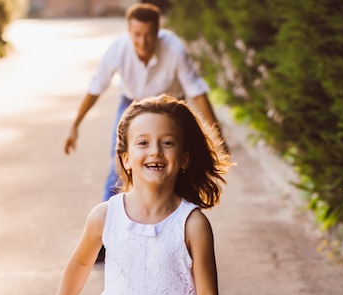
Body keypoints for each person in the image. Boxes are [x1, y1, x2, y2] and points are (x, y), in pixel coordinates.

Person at [36, 95, 240, 295]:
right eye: (143, 143)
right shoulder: (105, 216)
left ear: (184, 159)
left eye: (167, 142)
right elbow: (79, 263)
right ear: (126, 158)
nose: (155, 151)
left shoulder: (192, 224)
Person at [64, 2, 224, 202]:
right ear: (129, 31)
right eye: (137, 34)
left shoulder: (174, 50)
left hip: (170, 106)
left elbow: (197, 92)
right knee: (120, 162)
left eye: (148, 34)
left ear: (158, 31)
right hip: (132, 103)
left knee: (181, 163)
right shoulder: (119, 49)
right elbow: (96, 88)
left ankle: (182, 215)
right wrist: (75, 125)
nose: (142, 41)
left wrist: (218, 135)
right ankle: (108, 220)